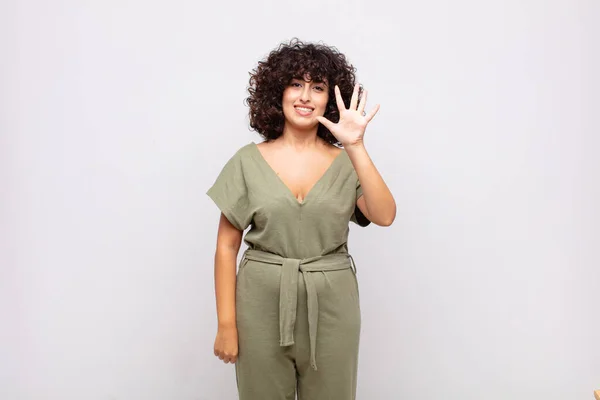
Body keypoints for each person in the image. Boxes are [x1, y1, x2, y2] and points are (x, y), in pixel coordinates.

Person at [206, 38, 396, 400]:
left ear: (330, 99)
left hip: (332, 302)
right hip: (260, 301)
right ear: (278, 92)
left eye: (318, 87)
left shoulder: (346, 163)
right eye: (296, 84)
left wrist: (355, 146)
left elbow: (385, 215)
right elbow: (226, 245)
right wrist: (227, 324)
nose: (305, 96)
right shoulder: (247, 161)